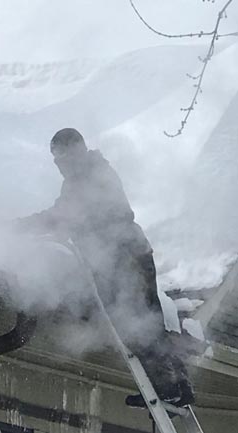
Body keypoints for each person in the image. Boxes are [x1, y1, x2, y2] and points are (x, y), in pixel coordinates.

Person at [18, 128, 194, 407]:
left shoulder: (88, 177)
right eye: (55, 160)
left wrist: (24, 226)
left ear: (74, 151)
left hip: (123, 259)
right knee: (149, 322)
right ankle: (179, 386)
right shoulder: (93, 172)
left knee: (136, 324)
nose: (58, 165)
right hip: (133, 253)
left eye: (60, 157)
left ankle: (166, 388)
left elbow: (66, 215)